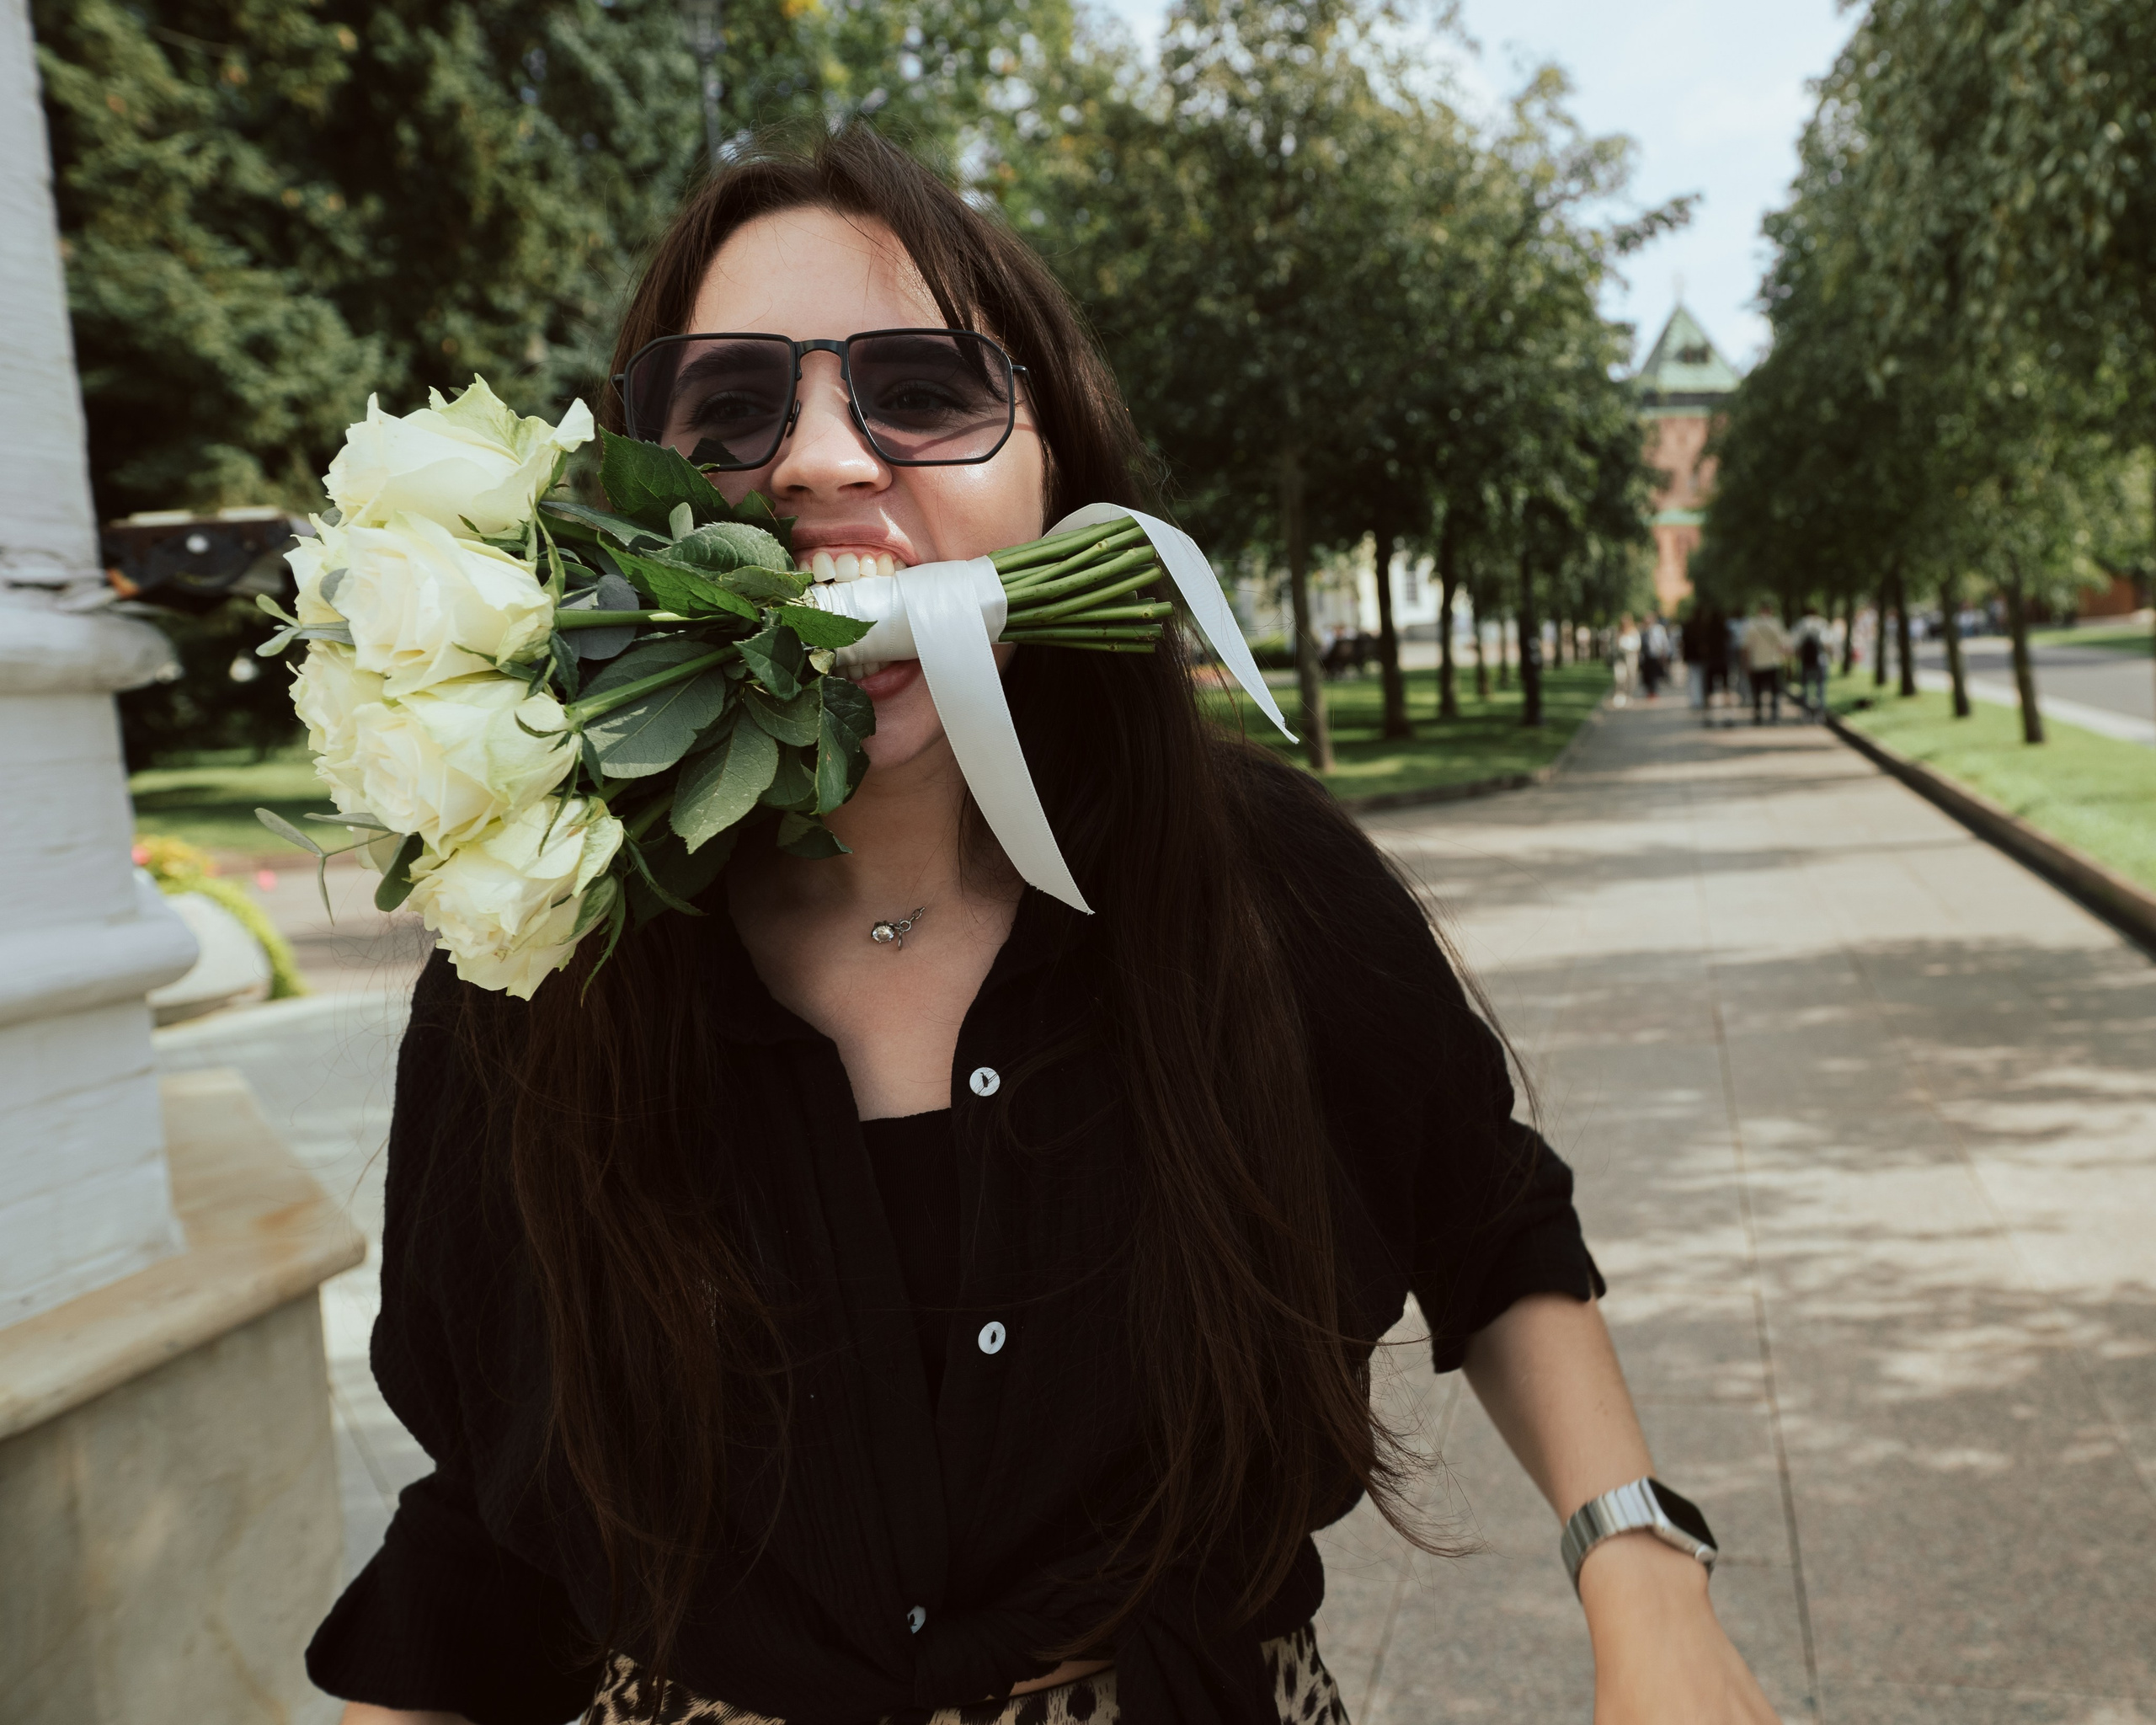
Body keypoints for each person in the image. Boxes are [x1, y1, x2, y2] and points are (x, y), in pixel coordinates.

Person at [312, 129, 1775, 1725]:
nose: (815, 460)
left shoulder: (1260, 886)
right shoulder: (540, 954)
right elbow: (492, 1496)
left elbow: (1487, 1225)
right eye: (731, 408)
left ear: (1057, 479)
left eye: (923, 389)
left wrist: (1639, 1570)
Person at [1742, 602, 1793, 725]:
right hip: (1773, 663)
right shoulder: (1776, 624)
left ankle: (1758, 716)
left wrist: (1746, 664)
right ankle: (1774, 716)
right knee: (1774, 690)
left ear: (1759, 611)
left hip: (1757, 663)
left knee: (1757, 691)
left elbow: (1746, 647)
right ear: (1770, 611)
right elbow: (1784, 645)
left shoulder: (1751, 624)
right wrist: (1788, 664)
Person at [1792, 607, 1831, 719]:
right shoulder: (1822, 623)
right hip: (1821, 659)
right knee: (1820, 687)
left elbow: (1796, 644)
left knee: (1805, 688)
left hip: (1806, 660)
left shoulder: (1801, 624)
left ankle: (1806, 713)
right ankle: (1820, 713)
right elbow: (1827, 643)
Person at [1610, 613, 1641, 707]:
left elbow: (1637, 645)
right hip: (1620, 657)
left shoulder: (1634, 632)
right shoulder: (1618, 632)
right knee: (1620, 677)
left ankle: (1629, 695)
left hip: (1630, 657)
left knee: (1631, 677)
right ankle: (1620, 695)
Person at [1639, 614, 1671, 702]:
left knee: (1654, 675)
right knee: (1646, 675)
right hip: (1645, 656)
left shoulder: (1659, 629)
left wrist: (1665, 654)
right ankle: (1649, 690)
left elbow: (1664, 642)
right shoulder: (1642, 629)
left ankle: (1654, 692)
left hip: (1656, 655)